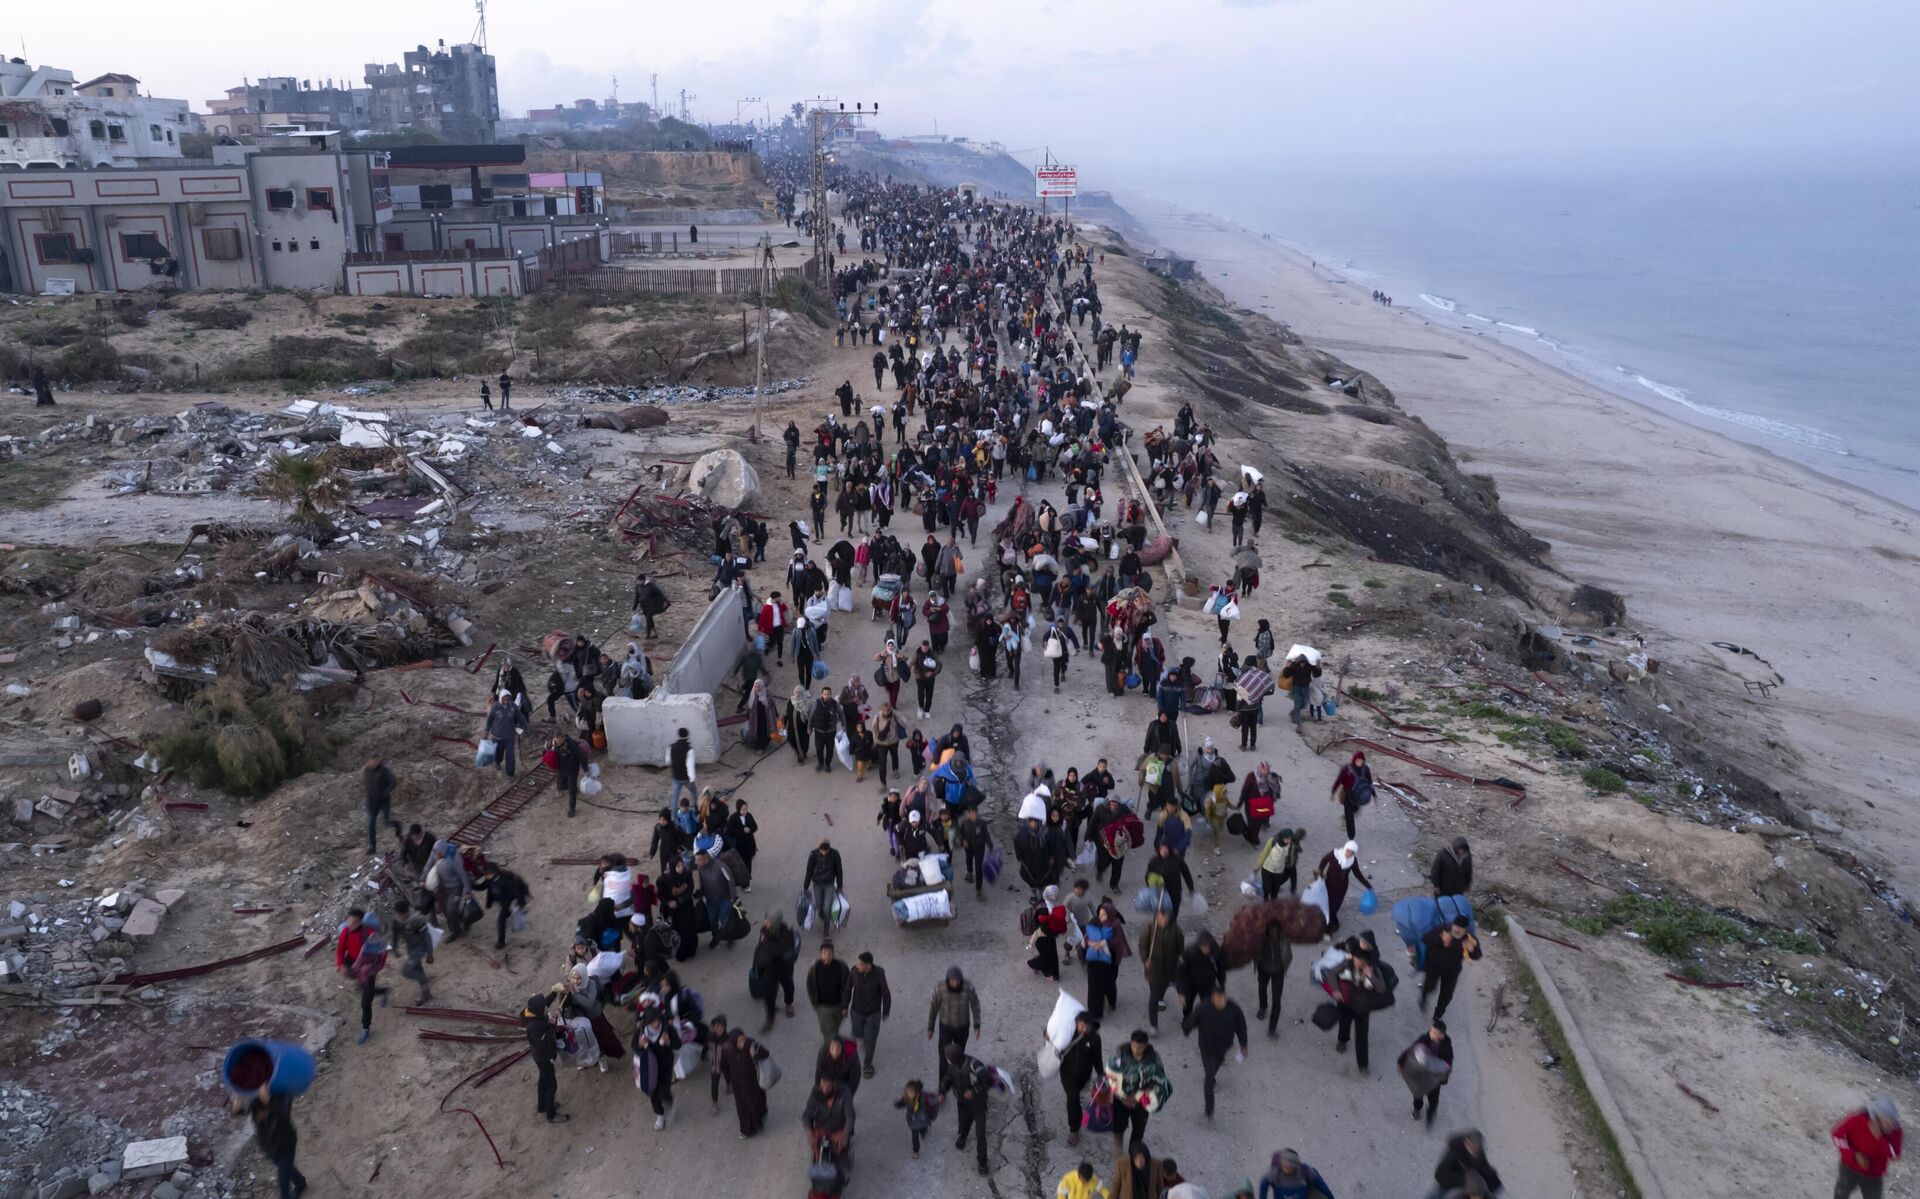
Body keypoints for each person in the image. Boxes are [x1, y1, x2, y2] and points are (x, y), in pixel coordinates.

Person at [1180, 985, 1247, 1119]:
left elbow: (1241, 1026)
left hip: (1223, 1047)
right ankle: (1209, 1110)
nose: (1222, 1001)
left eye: (1223, 998)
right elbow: (1193, 1020)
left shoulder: (1234, 1009)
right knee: (1209, 1076)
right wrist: (1186, 1029)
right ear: (1213, 998)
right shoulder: (1204, 1008)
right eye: (1218, 998)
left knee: (1217, 1064)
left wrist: (1243, 1045)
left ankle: (1212, 1076)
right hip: (1207, 1047)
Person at [229, 1082, 304, 1199]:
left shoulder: (283, 1093)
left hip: (285, 1143)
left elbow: (284, 1115)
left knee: (283, 1178)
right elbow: (244, 1111)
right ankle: (300, 1183)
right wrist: (237, 1106)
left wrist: (269, 1100)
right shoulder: (255, 1099)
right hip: (267, 1144)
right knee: (285, 1168)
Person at [1105, 1030, 1171, 1147]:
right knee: (1118, 1125)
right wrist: (1121, 1094)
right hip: (1121, 1100)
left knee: (1139, 1130)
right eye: (1134, 1046)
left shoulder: (1153, 1060)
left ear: (1145, 1046)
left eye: (1139, 1047)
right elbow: (1111, 1075)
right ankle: (1118, 1147)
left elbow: (1160, 1079)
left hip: (1141, 1103)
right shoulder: (1120, 1056)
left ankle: (1134, 1152)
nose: (1135, 1050)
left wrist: (1141, 1095)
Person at [1832, 1096, 1902, 1199]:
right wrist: (1853, 1155)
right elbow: (1837, 1135)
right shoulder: (1857, 1120)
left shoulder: (1895, 1131)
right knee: (1841, 1193)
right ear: (1876, 1117)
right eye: (1887, 1121)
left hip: (1874, 1174)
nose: (1891, 1125)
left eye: (1893, 1120)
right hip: (1849, 1169)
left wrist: (1879, 1138)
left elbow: (1894, 1155)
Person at [940, 1043, 994, 1175]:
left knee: (980, 1133)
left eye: (947, 1056)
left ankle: (982, 1163)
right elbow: (947, 1079)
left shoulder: (975, 1066)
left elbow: (988, 1082)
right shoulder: (952, 1066)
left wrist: (973, 1091)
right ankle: (963, 1137)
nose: (946, 1059)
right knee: (964, 1124)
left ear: (953, 1057)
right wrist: (942, 1092)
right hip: (963, 1103)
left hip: (978, 1104)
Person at [1418, 916, 1482, 1021]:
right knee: (1430, 986)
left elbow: (1477, 956)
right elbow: (1424, 939)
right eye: (1456, 926)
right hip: (1434, 965)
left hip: (1452, 970)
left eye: (1461, 928)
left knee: (1447, 994)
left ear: (1465, 930)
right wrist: (1439, 939)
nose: (1457, 929)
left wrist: (1472, 950)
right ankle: (1423, 998)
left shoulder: (1469, 939)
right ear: (1452, 925)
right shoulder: (1441, 929)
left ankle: (1438, 1014)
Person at [339, 908, 387, 1045]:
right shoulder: (346, 932)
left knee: (365, 1001)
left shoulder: (370, 934)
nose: (350, 924)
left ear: (361, 922)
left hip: (368, 969)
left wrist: (376, 968)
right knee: (363, 987)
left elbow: (382, 953)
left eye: (354, 922)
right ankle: (383, 992)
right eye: (349, 921)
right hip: (354, 965)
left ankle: (365, 1028)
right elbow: (340, 950)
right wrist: (341, 965)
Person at [1059, 1011, 1104, 1146]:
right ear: (1076, 1023)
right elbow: (1053, 1033)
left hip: (1083, 1075)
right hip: (1066, 1073)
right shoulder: (1068, 1032)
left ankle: (1075, 1116)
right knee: (1072, 1098)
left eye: (1085, 1025)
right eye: (1080, 1025)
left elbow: (1097, 1058)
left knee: (1073, 1097)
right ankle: (1074, 1129)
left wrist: (1101, 1074)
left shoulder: (1095, 1039)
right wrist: (1046, 1034)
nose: (1083, 1028)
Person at [717, 1027, 772, 1137]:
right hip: (738, 1084)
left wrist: (755, 1054)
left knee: (757, 1101)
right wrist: (728, 1081)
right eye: (739, 1041)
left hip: (753, 1082)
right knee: (743, 1107)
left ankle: (759, 1118)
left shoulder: (750, 1043)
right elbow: (723, 1066)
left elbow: (766, 1053)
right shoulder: (727, 1050)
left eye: (743, 1039)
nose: (742, 1042)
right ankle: (746, 1130)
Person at [1400, 1019, 1454, 1127]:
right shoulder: (1425, 1038)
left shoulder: (1447, 1049)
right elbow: (1411, 1048)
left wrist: (1442, 1079)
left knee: (1433, 1097)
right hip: (1419, 1073)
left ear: (1441, 1036)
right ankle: (1417, 1109)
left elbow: (1447, 1066)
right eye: (1431, 1030)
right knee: (1417, 1092)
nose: (1430, 1033)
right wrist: (1401, 1061)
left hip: (1434, 1078)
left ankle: (1431, 1113)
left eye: (1434, 1032)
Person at [523, 991, 568, 1123]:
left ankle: (542, 1106)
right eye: (544, 1008)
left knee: (543, 1080)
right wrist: (552, 1023)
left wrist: (554, 992)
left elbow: (544, 1004)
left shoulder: (529, 1014)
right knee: (551, 1085)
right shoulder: (536, 1026)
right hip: (544, 1056)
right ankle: (551, 1114)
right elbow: (545, 1040)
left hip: (537, 1056)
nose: (546, 1008)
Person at [634, 1009, 681, 1129]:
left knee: (664, 1091)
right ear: (647, 1022)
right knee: (653, 1094)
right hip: (649, 1068)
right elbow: (634, 1046)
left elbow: (678, 1044)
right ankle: (660, 1115)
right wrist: (639, 1045)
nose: (656, 1024)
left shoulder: (667, 1030)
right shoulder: (641, 1032)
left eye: (658, 1021)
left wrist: (668, 1041)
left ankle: (669, 1101)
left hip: (665, 1066)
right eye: (652, 1022)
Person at [847, 951, 892, 1076]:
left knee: (871, 1040)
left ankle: (868, 1065)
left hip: (873, 1013)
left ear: (868, 965)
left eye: (860, 964)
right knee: (857, 1035)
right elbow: (847, 989)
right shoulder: (854, 972)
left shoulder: (879, 975)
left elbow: (886, 994)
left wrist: (886, 1011)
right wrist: (844, 1006)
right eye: (858, 962)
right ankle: (864, 1042)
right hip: (856, 1011)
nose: (857, 965)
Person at [927, 965, 982, 1068]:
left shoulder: (968, 987)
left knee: (958, 1058)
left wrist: (977, 1025)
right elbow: (933, 1007)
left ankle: (957, 1082)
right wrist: (931, 1028)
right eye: (952, 980)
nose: (955, 983)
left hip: (963, 1027)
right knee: (944, 1058)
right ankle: (943, 1083)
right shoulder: (940, 988)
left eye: (957, 980)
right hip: (945, 1027)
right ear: (948, 979)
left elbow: (975, 1005)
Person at [1083, 900, 1130, 1019]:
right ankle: (1095, 1013)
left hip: (1109, 963)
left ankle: (1111, 1001)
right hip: (1094, 961)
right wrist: (1090, 943)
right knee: (1094, 988)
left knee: (1108, 984)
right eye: (1100, 914)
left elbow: (1118, 944)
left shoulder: (1115, 925)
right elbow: (1086, 936)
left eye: (1104, 914)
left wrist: (1103, 944)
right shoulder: (1095, 921)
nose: (1101, 917)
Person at [1315, 841, 1372, 936]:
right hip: (1328, 885)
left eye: (1352, 852)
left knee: (1333, 908)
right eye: (1348, 851)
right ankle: (1334, 925)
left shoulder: (1353, 861)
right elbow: (1324, 860)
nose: (1349, 854)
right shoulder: (1334, 854)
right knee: (1328, 907)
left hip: (1341, 889)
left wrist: (1368, 886)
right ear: (1345, 848)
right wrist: (1320, 871)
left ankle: (1327, 931)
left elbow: (1358, 874)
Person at [1139, 909, 1183, 1030]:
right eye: (1160, 917)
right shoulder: (1149, 929)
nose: (1162, 920)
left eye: (1165, 917)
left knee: (1164, 986)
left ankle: (1160, 998)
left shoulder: (1176, 931)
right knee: (1153, 994)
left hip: (1169, 967)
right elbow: (1142, 947)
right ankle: (1153, 1024)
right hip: (1153, 968)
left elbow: (1181, 949)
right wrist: (1145, 959)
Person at [1432, 1130, 1502, 1198]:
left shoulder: (1479, 1154)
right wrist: (1466, 1179)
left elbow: (1484, 1169)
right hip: (1448, 1188)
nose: (1476, 1148)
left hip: (1470, 1190)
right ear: (1466, 1142)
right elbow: (1439, 1175)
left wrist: (1493, 1178)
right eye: (1474, 1144)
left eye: (1478, 1145)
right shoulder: (1454, 1152)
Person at [807, 939, 852, 1043]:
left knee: (834, 1028)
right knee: (828, 1031)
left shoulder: (842, 967)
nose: (827, 955)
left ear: (833, 953)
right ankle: (831, 1050)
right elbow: (809, 986)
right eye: (824, 953)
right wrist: (815, 1004)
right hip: (823, 1007)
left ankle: (833, 1044)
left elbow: (847, 987)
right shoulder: (814, 969)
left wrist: (845, 1006)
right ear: (820, 954)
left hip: (839, 1006)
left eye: (829, 953)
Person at [1254, 915, 1291, 1036]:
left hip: (1278, 971)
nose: (1274, 932)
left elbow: (1288, 954)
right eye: (1271, 930)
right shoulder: (1260, 937)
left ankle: (1272, 1028)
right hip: (1264, 968)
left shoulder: (1284, 938)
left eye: (1276, 930)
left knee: (1277, 1000)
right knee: (1262, 988)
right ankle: (1263, 1007)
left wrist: (1284, 965)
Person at [392, 897, 434, 1003]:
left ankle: (424, 982)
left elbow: (427, 937)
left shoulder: (417, 920)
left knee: (407, 971)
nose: (401, 917)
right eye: (399, 915)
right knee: (418, 969)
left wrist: (430, 954)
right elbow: (395, 935)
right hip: (410, 949)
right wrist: (395, 948)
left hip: (419, 949)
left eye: (403, 915)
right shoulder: (396, 921)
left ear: (407, 912)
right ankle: (427, 994)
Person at [803, 838, 844, 938]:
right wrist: (805, 887)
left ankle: (826, 931)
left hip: (829, 884)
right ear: (819, 848)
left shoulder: (835, 854)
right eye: (822, 850)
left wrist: (839, 886)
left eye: (826, 850)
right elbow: (809, 871)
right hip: (817, 884)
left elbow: (839, 871)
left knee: (826, 908)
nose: (824, 852)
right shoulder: (813, 855)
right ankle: (823, 915)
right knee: (819, 906)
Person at [1029, 885, 1071, 980]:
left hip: (1049, 935)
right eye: (1053, 894)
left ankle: (1053, 974)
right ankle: (1046, 972)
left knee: (1050, 955)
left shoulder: (1050, 904)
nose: (1055, 896)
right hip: (1043, 936)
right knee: (1048, 956)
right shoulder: (1044, 908)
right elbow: (1043, 925)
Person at [1330, 752, 1373, 841]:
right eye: (1358, 761)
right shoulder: (1346, 769)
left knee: (1356, 810)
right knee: (1350, 818)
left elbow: (1369, 782)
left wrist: (1374, 794)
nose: (1359, 763)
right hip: (1347, 795)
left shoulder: (1365, 769)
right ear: (1354, 760)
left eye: (1361, 761)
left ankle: (1344, 817)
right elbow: (1339, 780)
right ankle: (1351, 838)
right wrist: (1333, 792)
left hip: (1358, 796)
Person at [1260, 1149, 1335, 1199]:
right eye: (1284, 1166)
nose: (1285, 1169)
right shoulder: (1275, 1172)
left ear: (1295, 1166)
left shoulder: (1305, 1171)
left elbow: (1321, 1185)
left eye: (1288, 1167)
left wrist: (1331, 1197)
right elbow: (1264, 1183)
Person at [483, 689, 525, 778]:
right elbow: (489, 720)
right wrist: (486, 732)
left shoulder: (513, 706)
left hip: (510, 736)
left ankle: (510, 774)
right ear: (501, 698)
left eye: (508, 699)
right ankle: (497, 762)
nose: (506, 701)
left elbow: (520, 718)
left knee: (510, 756)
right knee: (498, 753)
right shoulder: (495, 707)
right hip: (497, 736)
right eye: (504, 699)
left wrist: (525, 729)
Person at [362, 756, 400, 854]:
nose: (370, 763)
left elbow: (393, 782)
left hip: (383, 801)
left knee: (386, 822)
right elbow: (366, 782)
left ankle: (397, 825)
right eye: (369, 761)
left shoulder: (384, 770)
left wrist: (385, 793)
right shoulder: (367, 770)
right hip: (371, 801)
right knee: (371, 823)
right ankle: (372, 847)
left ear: (377, 761)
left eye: (372, 761)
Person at [896, 1077, 940, 1159]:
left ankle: (923, 1131)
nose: (909, 1094)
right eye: (908, 1092)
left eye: (911, 1092)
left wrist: (938, 1099)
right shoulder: (907, 1098)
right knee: (914, 1136)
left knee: (923, 1128)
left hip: (923, 1120)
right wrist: (899, 1104)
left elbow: (931, 1101)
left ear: (916, 1092)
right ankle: (916, 1151)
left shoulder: (923, 1097)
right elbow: (903, 1102)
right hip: (913, 1122)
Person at [1257, 827, 1302, 899]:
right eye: (1287, 839)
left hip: (1280, 870)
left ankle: (1273, 904)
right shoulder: (1273, 841)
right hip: (1268, 868)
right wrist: (1257, 867)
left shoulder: (1291, 844)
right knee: (1268, 888)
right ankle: (1266, 901)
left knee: (1275, 891)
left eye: (1290, 839)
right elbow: (1264, 854)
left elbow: (1293, 854)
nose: (1289, 841)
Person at [1280, 653, 1321, 728]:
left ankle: (1293, 713)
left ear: (1306, 661)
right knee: (1297, 704)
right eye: (1301, 662)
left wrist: (1318, 666)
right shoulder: (1293, 666)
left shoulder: (1309, 665)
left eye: (1304, 662)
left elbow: (1317, 674)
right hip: (1296, 688)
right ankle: (1299, 724)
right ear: (1298, 662)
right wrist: (1287, 667)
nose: (1302, 664)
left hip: (1306, 687)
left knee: (1305, 704)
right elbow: (1286, 675)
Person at [669, 727, 697, 808]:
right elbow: (690, 766)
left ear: (678, 735)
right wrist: (692, 779)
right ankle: (696, 808)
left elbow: (668, 761)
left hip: (676, 777)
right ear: (687, 736)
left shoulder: (671, 747)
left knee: (675, 798)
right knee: (694, 792)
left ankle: (673, 817)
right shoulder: (689, 750)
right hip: (685, 778)